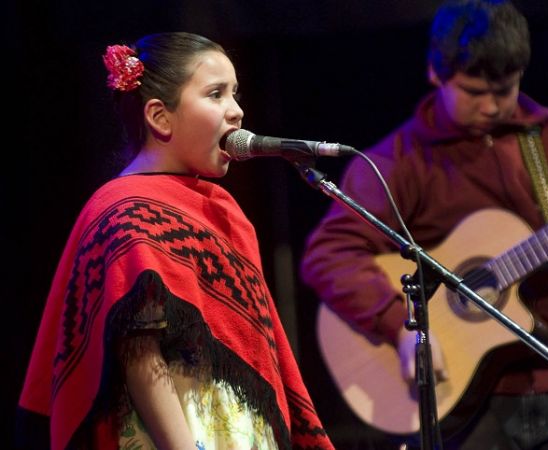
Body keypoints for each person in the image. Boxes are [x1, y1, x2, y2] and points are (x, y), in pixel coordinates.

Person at [301, 1, 548, 449]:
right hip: (467, 408)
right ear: (436, 73)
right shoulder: (397, 160)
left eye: (504, 90)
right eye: (473, 91)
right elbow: (330, 254)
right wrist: (400, 327)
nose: (491, 106)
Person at [16, 32, 334, 450]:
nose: (236, 111)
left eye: (235, 93)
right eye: (216, 94)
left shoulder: (224, 212)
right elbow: (140, 354)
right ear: (160, 117)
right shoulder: (124, 208)